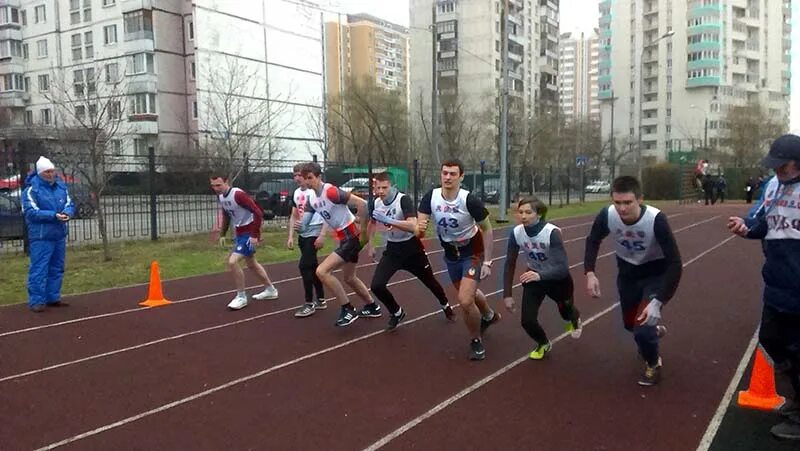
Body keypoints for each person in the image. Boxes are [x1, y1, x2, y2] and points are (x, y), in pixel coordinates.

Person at [728, 133, 800, 440]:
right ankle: (797, 398)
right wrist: (744, 228)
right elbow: (760, 222)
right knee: (771, 340)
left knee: (799, 351)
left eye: (783, 166)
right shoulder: (771, 187)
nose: (777, 171)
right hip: (777, 283)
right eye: (775, 166)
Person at [584, 176, 682, 386]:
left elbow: (675, 263)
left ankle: (653, 364)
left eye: (628, 202)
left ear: (640, 200)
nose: (622, 208)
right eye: (617, 202)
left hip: (656, 275)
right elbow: (593, 240)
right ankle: (653, 333)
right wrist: (590, 273)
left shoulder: (656, 220)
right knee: (630, 325)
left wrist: (659, 301)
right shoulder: (607, 215)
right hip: (628, 275)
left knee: (642, 328)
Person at [417, 158, 500, 361]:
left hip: (472, 250)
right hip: (450, 253)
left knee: (464, 300)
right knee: (468, 294)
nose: (448, 177)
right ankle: (489, 315)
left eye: (453, 174)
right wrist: (419, 228)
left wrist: (488, 261)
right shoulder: (431, 196)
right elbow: (419, 224)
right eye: (445, 173)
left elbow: (487, 229)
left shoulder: (469, 200)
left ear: (461, 177)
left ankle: (475, 340)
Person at [365, 172, 456, 330]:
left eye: (384, 187)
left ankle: (445, 304)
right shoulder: (375, 203)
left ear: (393, 187)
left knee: (430, 282)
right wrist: (371, 244)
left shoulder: (403, 200)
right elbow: (372, 223)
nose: (380, 191)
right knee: (376, 285)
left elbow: (413, 225)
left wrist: (389, 220)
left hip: (412, 249)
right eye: (377, 187)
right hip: (393, 250)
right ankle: (397, 311)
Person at [300, 162, 381, 327]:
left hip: (352, 236)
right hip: (344, 237)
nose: (308, 182)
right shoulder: (312, 199)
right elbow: (305, 223)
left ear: (318, 177)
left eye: (310, 178)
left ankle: (348, 308)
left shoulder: (331, 191)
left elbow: (363, 204)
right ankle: (372, 306)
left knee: (321, 271)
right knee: (349, 277)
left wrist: (363, 231)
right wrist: (299, 226)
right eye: (305, 178)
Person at [503, 196, 582, 360]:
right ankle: (543, 343)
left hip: (558, 280)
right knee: (527, 321)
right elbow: (510, 263)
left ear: (538, 214)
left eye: (528, 212)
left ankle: (575, 319)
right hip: (533, 278)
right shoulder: (516, 233)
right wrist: (507, 295)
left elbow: (562, 268)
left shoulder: (551, 233)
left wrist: (540, 275)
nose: (523, 216)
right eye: (521, 212)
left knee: (566, 312)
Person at [210, 174, 278, 310]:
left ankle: (241, 296)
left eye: (219, 185)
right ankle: (270, 290)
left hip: (249, 232)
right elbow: (226, 214)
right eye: (213, 186)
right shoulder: (221, 197)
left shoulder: (238, 195)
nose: (216, 188)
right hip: (240, 232)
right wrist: (222, 234)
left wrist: (254, 235)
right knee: (252, 264)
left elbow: (257, 212)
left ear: (226, 182)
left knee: (232, 261)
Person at [21, 156, 75, 313]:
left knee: (57, 267)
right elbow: (31, 212)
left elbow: (69, 203)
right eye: (47, 172)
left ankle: (53, 296)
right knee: (39, 268)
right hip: (41, 236)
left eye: (52, 171)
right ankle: (36, 300)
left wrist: (67, 213)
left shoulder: (61, 187)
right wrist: (53, 215)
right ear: (40, 173)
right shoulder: (31, 190)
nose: (51, 174)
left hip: (58, 234)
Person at [286, 163, 328, 318]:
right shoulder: (296, 193)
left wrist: (322, 235)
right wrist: (290, 235)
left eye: (300, 175)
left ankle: (309, 303)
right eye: (295, 175)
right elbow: (294, 215)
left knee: (304, 266)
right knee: (312, 266)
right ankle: (322, 299)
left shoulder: (316, 192)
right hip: (302, 233)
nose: (297, 178)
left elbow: (326, 214)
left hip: (314, 231)